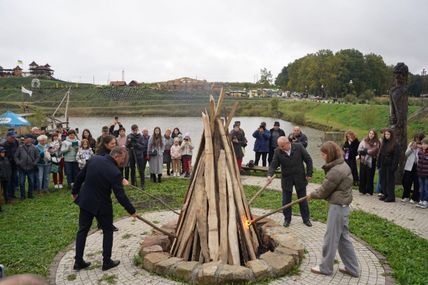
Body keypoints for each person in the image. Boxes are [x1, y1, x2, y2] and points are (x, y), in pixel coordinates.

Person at [72, 147, 137, 271]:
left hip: (86, 201)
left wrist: (75, 191)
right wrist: (132, 210)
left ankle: (78, 261)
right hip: (102, 205)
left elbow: (80, 176)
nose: (123, 161)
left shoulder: (94, 159)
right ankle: (106, 262)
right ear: (117, 156)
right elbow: (120, 195)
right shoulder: (115, 172)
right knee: (108, 231)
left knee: (82, 230)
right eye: (123, 158)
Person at [309, 141, 359, 278]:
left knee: (331, 238)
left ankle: (325, 268)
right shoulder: (343, 164)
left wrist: (311, 195)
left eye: (323, 154)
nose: (322, 156)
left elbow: (324, 190)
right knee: (343, 238)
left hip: (337, 207)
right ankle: (352, 268)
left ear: (329, 154)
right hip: (343, 207)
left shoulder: (336, 170)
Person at [267, 136, 313, 227]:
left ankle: (306, 219)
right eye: (279, 146)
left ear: (288, 143)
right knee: (286, 201)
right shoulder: (277, 151)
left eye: (282, 146)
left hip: (299, 177)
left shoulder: (299, 147)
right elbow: (273, 164)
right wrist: (269, 175)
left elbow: (308, 160)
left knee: (302, 199)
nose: (281, 148)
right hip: (286, 178)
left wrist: (309, 173)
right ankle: (287, 219)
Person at [377, 129, 400, 202]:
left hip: (390, 165)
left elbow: (396, 157)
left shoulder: (395, 144)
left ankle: (391, 196)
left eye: (388, 134)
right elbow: (380, 154)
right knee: (383, 180)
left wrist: (394, 166)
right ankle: (386, 194)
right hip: (383, 164)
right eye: (385, 134)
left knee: (389, 181)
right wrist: (378, 164)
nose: (386, 136)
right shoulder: (384, 143)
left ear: (391, 135)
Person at [14, 134, 39, 199]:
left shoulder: (34, 147)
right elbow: (16, 156)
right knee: (22, 183)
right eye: (25, 139)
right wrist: (18, 163)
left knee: (31, 182)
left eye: (26, 139)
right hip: (22, 168)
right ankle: (22, 196)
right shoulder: (20, 147)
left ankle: (30, 195)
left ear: (30, 140)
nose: (25, 140)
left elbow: (37, 157)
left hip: (31, 168)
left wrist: (34, 163)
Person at [402, 133, 424, 203]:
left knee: (416, 182)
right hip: (409, 166)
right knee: (407, 181)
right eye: (416, 138)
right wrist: (411, 148)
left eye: (419, 138)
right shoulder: (411, 143)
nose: (417, 140)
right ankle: (406, 196)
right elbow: (406, 154)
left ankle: (414, 198)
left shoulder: (423, 145)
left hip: (418, 166)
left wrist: (420, 147)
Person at [358, 129, 380, 195]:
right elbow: (359, 149)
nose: (371, 135)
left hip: (371, 161)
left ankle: (369, 191)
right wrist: (364, 151)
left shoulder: (377, 142)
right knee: (362, 175)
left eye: (372, 134)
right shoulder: (364, 140)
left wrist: (365, 151)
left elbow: (374, 151)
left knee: (369, 176)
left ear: (375, 135)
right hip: (363, 160)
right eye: (370, 133)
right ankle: (362, 190)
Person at [3, 131, 19, 200]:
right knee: (8, 181)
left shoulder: (15, 142)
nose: (13, 138)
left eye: (14, 137)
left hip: (14, 164)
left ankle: (12, 195)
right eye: (12, 137)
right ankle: (8, 196)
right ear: (7, 137)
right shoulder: (3, 145)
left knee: (14, 179)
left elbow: (17, 151)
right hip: (7, 165)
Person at [416, 138, 428, 209]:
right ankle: (421, 200)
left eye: (425, 144)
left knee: (426, 188)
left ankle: (425, 201)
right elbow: (418, 162)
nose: (423, 145)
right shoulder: (420, 152)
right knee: (421, 188)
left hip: (427, 174)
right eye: (422, 144)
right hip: (420, 173)